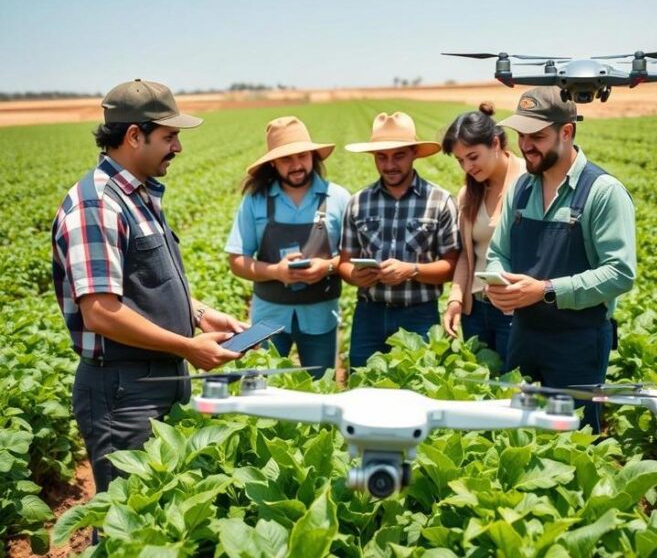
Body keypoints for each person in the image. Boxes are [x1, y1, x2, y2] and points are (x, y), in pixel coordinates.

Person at [52, 79, 247, 494]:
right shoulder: (97, 206)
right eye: (170, 136)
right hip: (125, 390)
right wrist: (188, 346)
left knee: (160, 506)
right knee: (128, 513)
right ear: (134, 136)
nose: (178, 147)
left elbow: (142, 284)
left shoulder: (139, 196)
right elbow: (101, 312)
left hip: (156, 376)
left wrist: (198, 314)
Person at [485, 86, 636, 431]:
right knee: (519, 436)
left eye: (536, 136)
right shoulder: (521, 188)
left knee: (576, 439)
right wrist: (499, 282)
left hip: (578, 342)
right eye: (521, 135)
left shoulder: (602, 192)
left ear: (566, 132)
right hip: (523, 334)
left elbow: (620, 272)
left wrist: (547, 289)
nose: (525, 145)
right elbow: (499, 253)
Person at [226, 117, 350, 378]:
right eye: (286, 159)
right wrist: (276, 271)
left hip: (321, 315)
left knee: (319, 393)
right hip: (268, 318)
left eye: (302, 156)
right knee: (265, 393)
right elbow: (237, 260)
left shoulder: (337, 197)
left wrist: (327, 266)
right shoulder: (255, 201)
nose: (296, 165)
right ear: (273, 162)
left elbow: (353, 257)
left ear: (313, 156)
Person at [339, 112, 461, 367]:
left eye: (399, 155)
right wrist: (354, 274)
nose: (390, 165)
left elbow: (451, 265)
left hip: (419, 313)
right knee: (363, 386)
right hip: (369, 314)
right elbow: (344, 262)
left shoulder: (439, 201)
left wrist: (411, 271)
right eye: (382, 157)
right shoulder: (358, 202)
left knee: (418, 387)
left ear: (414, 153)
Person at [441, 102, 525, 363]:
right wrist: (455, 299)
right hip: (476, 310)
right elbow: (468, 255)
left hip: (515, 309)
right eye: (460, 161)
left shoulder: (529, 181)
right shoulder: (469, 194)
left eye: (473, 157)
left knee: (514, 387)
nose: (467, 167)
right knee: (482, 386)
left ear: (495, 143)